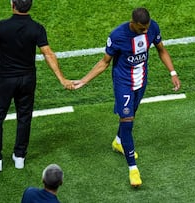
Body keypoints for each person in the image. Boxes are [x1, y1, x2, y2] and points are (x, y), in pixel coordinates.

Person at [73, 7, 181, 187]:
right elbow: (104, 62)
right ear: (132, 23)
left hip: (141, 81)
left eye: (146, 28)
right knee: (128, 120)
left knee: (128, 118)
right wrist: (84, 81)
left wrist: (173, 72)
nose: (145, 31)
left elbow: (161, 50)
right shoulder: (117, 36)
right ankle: (133, 168)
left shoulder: (152, 27)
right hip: (123, 83)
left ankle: (118, 142)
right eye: (141, 29)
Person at [0, 0, 74, 172]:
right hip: (27, 79)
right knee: (24, 115)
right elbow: (48, 54)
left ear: (12, 5)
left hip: (5, 80)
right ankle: (19, 156)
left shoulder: (1, 27)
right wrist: (62, 78)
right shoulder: (37, 28)